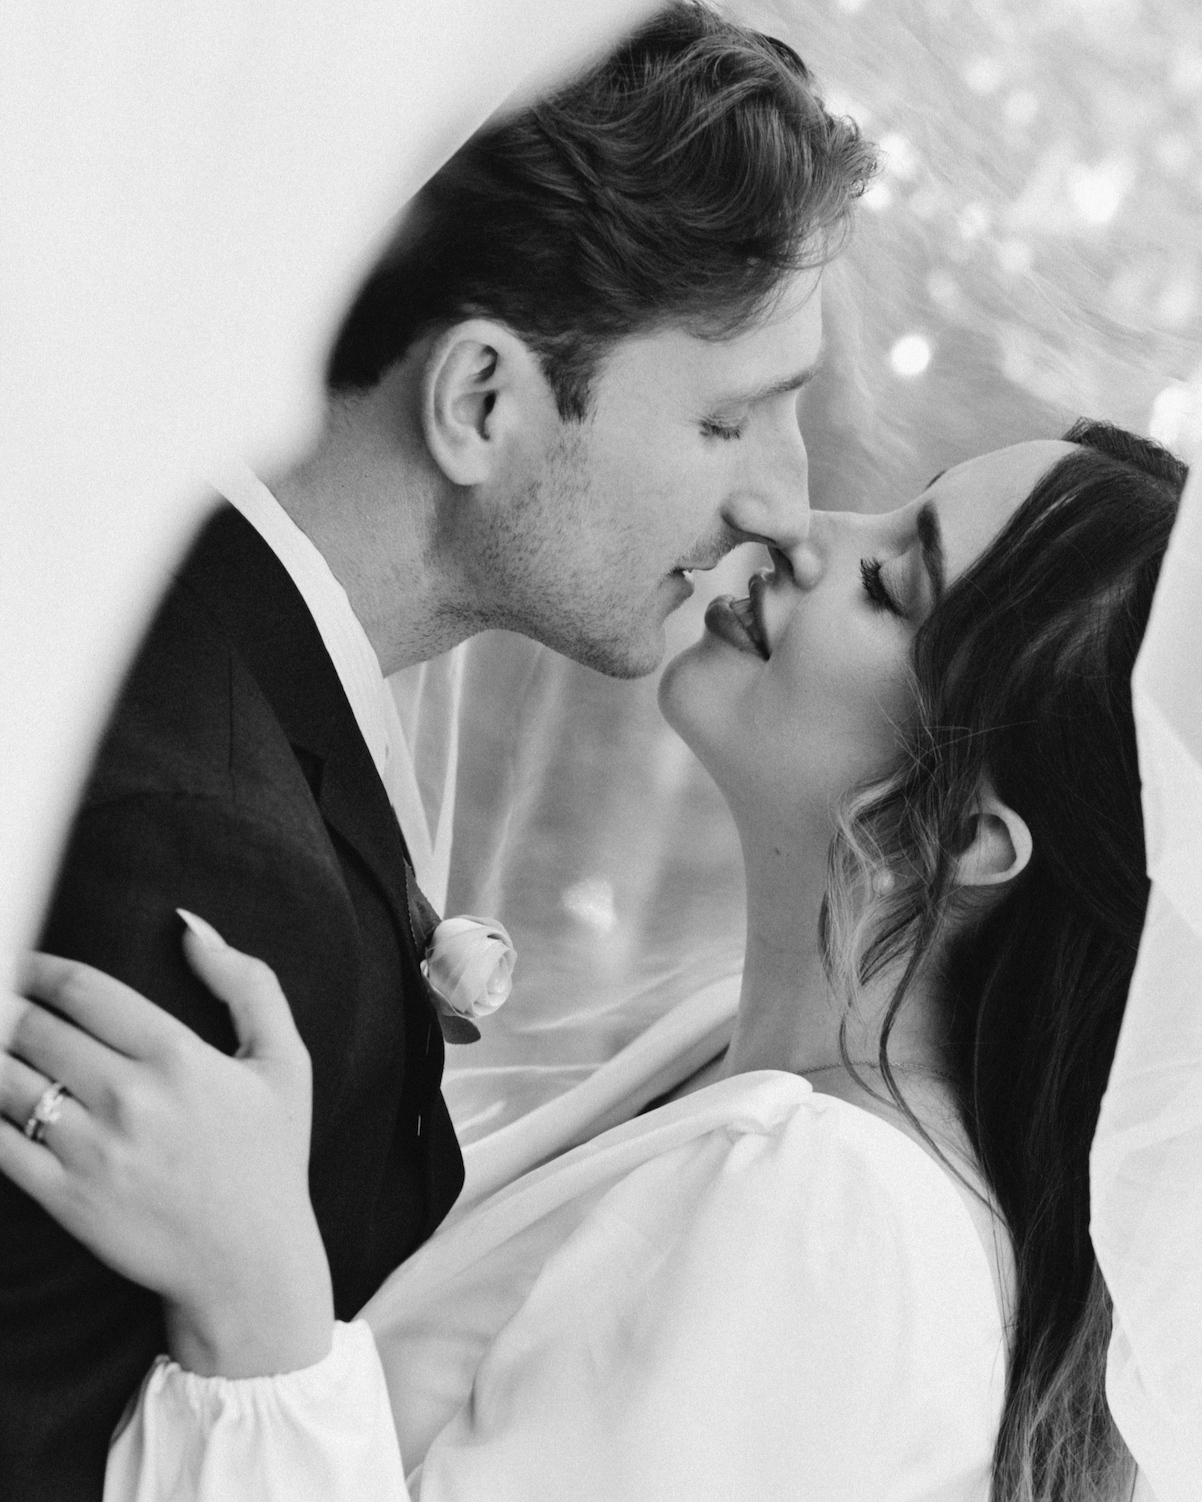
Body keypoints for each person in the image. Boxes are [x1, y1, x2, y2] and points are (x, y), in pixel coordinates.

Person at [0, 8, 876, 1497]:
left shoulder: (210, 647)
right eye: (732, 419)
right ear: (480, 403)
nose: (782, 509)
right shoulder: (205, 858)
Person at [1, 421, 1185, 1501]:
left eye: (888, 583)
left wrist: (252, 1294)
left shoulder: (836, 1209)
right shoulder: (733, 1054)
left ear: (970, 838)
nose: (804, 533)